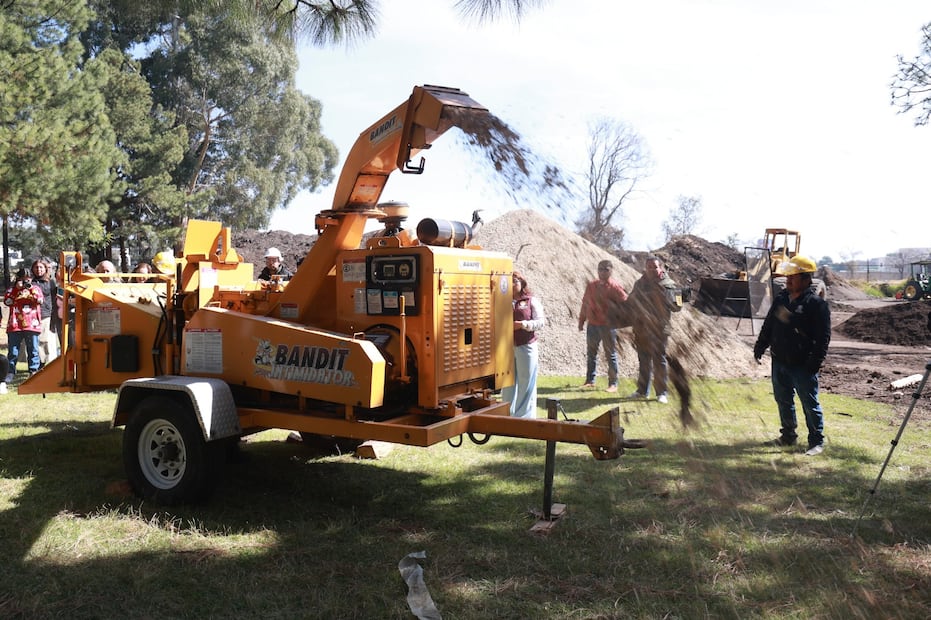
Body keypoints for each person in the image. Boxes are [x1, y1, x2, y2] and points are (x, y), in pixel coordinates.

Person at [753, 255, 831, 456]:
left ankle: (816, 441)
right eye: (787, 276)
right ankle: (788, 436)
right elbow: (770, 324)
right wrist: (761, 345)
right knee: (783, 400)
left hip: (803, 365)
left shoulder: (816, 304)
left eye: (793, 277)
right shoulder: (781, 299)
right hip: (779, 361)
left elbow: (823, 338)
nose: (788, 280)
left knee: (809, 404)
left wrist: (815, 362)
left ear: (806, 280)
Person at [626, 255, 684, 404]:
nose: (652, 270)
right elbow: (631, 301)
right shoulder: (640, 283)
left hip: (659, 329)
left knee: (659, 361)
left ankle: (661, 393)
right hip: (641, 328)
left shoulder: (669, 284)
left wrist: (670, 297)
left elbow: (677, 306)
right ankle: (642, 391)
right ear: (645, 268)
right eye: (649, 267)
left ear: (661, 268)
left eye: (655, 267)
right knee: (643, 360)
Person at [578, 259, 628, 392]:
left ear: (611, 271)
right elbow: (585, 304)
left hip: (607, 326)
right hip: (592, 325)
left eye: (606, 269)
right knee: (591, 354)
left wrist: (619, 319)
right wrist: (581, 321)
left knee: (610, 355)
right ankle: (590, 380)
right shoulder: (591, 286)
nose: (602, 272)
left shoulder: (615, 287)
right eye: (600, 269)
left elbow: (626, 304)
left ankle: (613, 384)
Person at [501, 271, 545, 418]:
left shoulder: (531, 301)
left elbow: (541, 322)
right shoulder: (502, 301)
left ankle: (524, 416)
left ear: (522, 283)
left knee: (526, 380)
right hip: (506, 347)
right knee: (507, 381)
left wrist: (523, 324)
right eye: (510, 281)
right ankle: (507, 412)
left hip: (526, 345)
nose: (513, 284)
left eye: (515, 281)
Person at [4, 267, 44, 381]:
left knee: (33, 350)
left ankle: (33, 371)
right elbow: (7, 302)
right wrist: (17, 289)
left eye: (28, 279)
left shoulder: (36, 288)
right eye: (23, 280)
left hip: (32, 324)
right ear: (18, 279)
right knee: (13, 351)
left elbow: (40, 300)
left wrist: (30, 289)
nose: (26, 282)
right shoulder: (12, 290)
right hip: (15, 324)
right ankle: (10, 372)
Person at [30, 258, 60, 365]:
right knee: (37, 340)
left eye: (41, 267)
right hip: (33, 314)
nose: (38, 270)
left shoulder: (51, 282)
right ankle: (39, 362)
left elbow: (54, 298)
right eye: (36, 267)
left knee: (46, 339)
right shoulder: (31, 283)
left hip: (46, 313)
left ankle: (47, 362)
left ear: (45, 269)